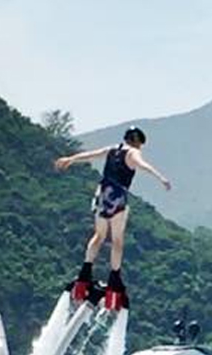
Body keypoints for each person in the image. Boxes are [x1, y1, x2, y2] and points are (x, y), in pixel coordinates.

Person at [54, 126, 172, 309]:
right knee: (117, 240)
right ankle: (114, 278)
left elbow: (91, 155)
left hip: (102, 193)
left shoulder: (112, 150)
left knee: (99, 236)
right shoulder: (132, 153)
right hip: (117, 196)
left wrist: (71, 159)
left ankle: (84, 274)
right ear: (137, 141)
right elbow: (142, 165)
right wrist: (161, 178)